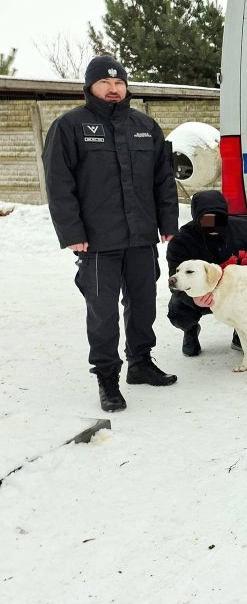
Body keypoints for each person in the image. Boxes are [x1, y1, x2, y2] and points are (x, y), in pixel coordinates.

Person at [42, 55, 179, 412]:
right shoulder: (70, 126)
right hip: (97, 240)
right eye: (105, 82)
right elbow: (59, 185)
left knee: (143, 303)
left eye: (119, 83)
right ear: (90, 87)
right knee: (102, 312)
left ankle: (140, 363)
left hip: (141, 237)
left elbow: (163, 181)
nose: (113, 88)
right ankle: (107, 377)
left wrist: (168, 224)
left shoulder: (146, 126)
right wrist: (72, 232)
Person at [166, 190, 247, 356]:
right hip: (202, 295)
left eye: (218, 220)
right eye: (207, 220)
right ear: (196, 219)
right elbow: (174, 281)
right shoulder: (181, 240)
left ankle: (240, 332)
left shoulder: (245, 230)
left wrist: (245, 270)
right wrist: (194, 300)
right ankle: (190, 331)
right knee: (178, 310)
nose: (213, 225)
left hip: (238, 292)